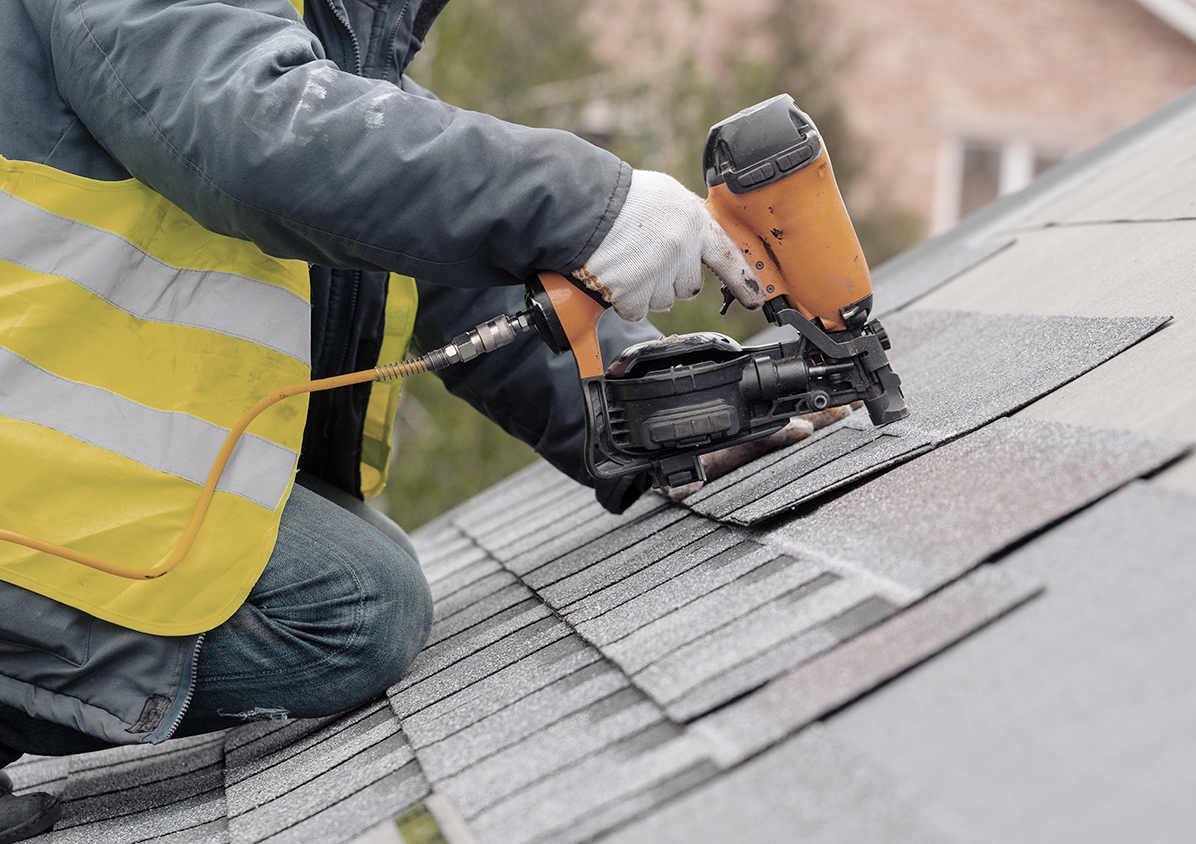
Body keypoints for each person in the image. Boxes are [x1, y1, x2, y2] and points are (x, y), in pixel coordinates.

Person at [0, 0, 764, 839]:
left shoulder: (328, 27)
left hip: (54, 462)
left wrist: (654, 406)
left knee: (365, 575)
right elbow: (260, 132)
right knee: (353, 607)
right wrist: (588, 204)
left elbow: (437, 255)